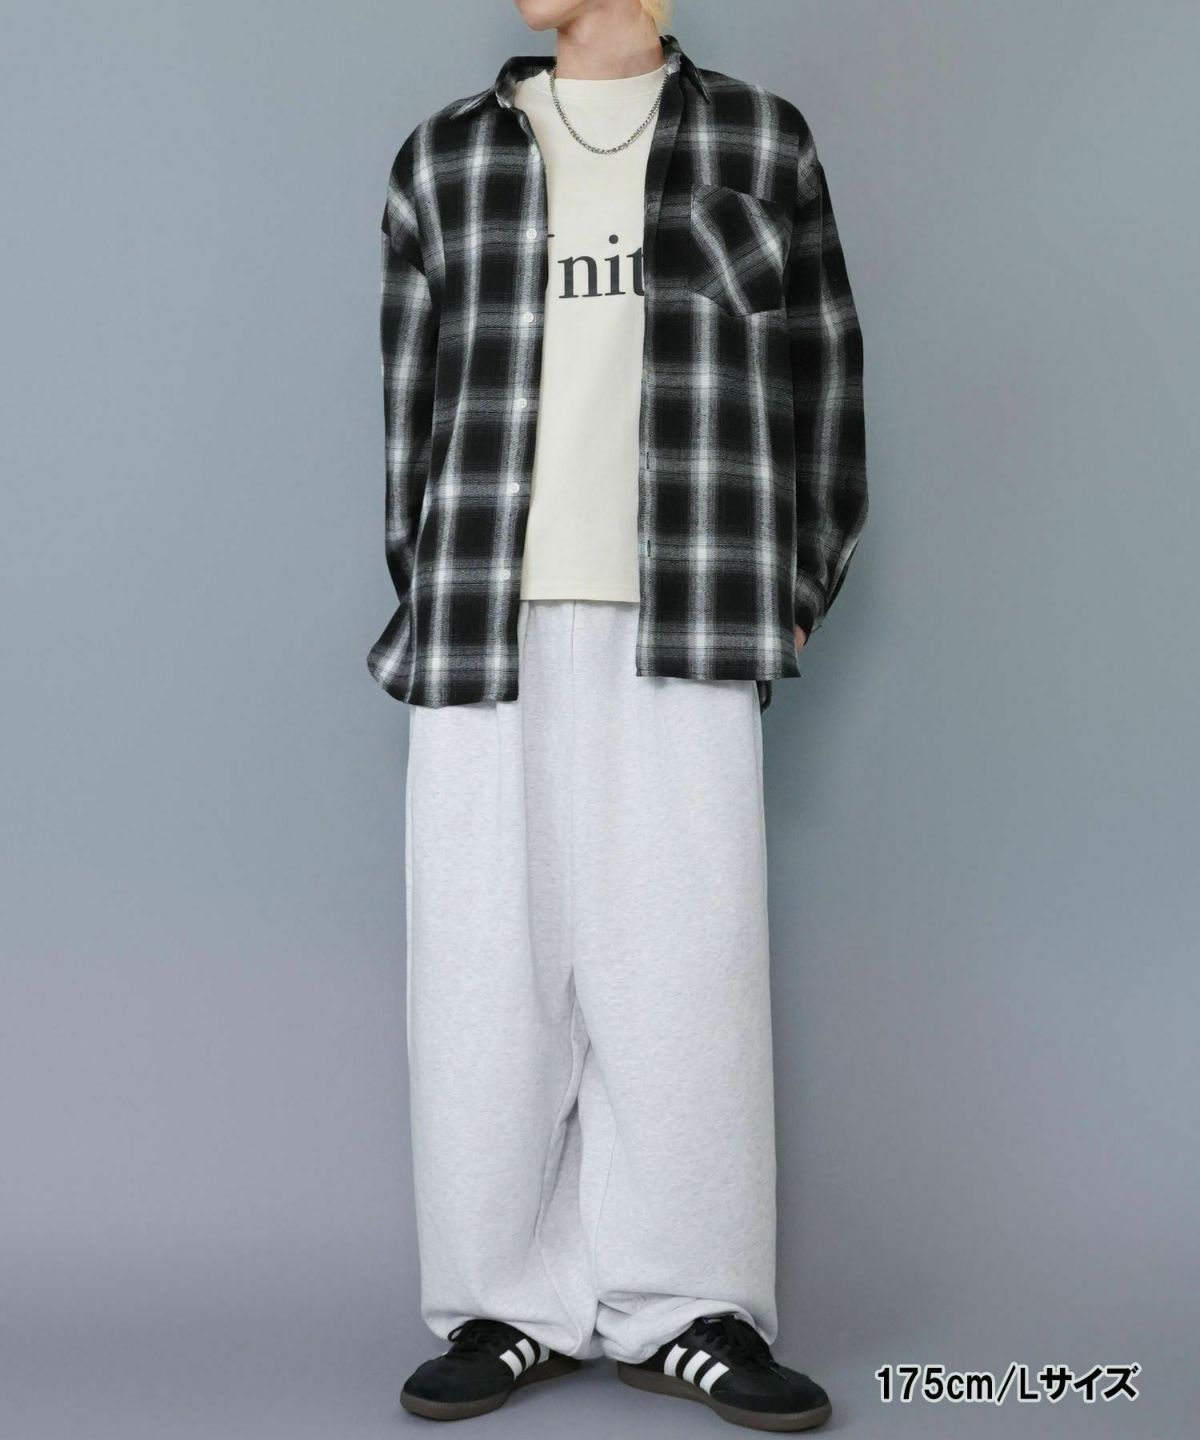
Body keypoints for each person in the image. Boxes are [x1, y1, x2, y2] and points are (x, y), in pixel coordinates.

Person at [369, 0, 867, 1429]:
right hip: (487, 621)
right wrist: (440, 586)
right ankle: (502, 1306)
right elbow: (409, 424)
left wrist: (792, 592)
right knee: (481, 971)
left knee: (687, 967)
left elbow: (826, 389)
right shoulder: (442, 160)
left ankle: (690, 1306)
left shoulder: (761, 142)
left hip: (690, 608)